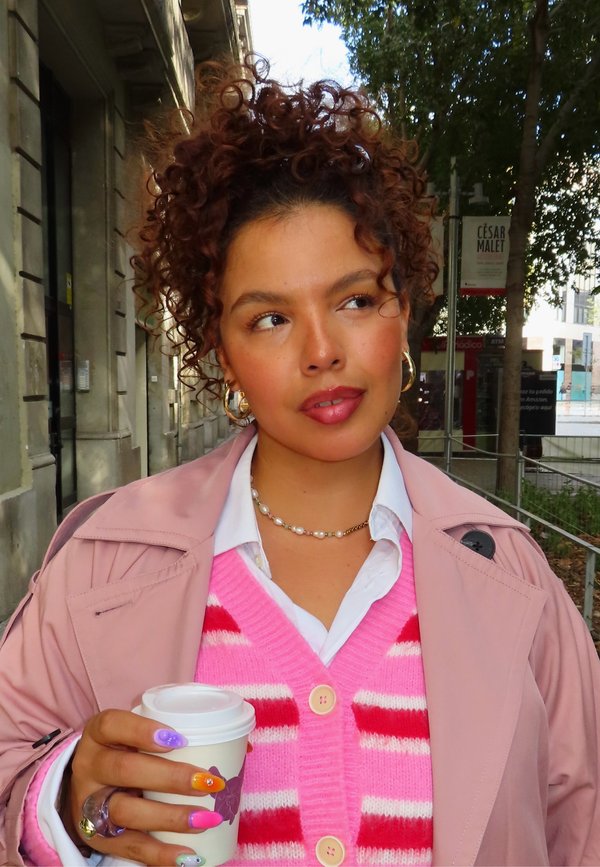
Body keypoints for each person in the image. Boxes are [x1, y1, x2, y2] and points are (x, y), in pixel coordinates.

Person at [1, 57, 599, 867]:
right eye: (270, 318)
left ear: (405, 307)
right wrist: (70, 805)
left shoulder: (517, 583)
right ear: (222, 352)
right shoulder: (101, 570)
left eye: (356, 300)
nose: (322, 352)